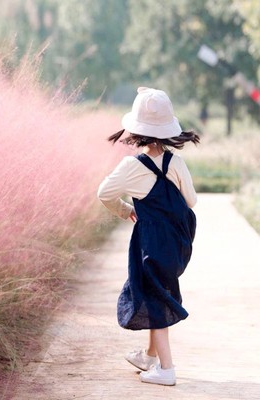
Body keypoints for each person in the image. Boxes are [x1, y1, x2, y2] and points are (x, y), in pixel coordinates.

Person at [97, 87, 200, 386]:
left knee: (155, 296)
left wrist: (125, 208)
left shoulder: (132, 166)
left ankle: (167, 369)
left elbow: (104, 193)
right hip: (177, 243)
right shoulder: (176, 163)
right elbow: (191, 201)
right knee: (159, 289)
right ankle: (149, 356)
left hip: (149, 243)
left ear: (137, 129)